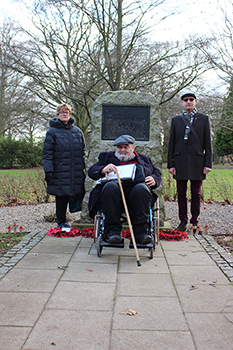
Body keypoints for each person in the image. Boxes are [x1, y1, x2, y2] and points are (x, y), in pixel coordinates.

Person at [88, 135, 161, 244]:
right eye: (119, 147)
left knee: (142, 188)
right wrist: (103, 169)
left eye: (126, 147)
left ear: (133, 148)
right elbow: (92, 171)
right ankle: (113, 232)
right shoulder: (106, 157)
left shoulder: (144, 159)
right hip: (113, 195)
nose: (122, 150)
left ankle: (141, 233)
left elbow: (157, 172)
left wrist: (154, 178)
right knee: (110, 187)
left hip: (136, 195)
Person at [167, 92, 212, 232]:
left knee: (196, 193)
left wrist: (208, 163)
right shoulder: (176, 120)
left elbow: (207, 144)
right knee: (180, 193)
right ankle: (183, 221)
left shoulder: (204, 119)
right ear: (182, 103)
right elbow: (171, 143)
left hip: (197, 161)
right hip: (179, 161)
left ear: (195, 101)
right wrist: (171, 164)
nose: (188, 102)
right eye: (185, 100)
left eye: (191, 99)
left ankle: (194, 221)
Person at [43, 103, 85, 230]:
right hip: (59, 171)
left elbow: (82, 151)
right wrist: (48, 170)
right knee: (61, 196)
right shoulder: (52, 132)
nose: (64, 114)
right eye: (62, 112)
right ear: (57, 115)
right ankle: (61, 221)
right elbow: (47, 153)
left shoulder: (77, 131)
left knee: (76, 192)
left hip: (75, 170)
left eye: (67, 112)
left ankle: (76, 217)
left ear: (70, 114)